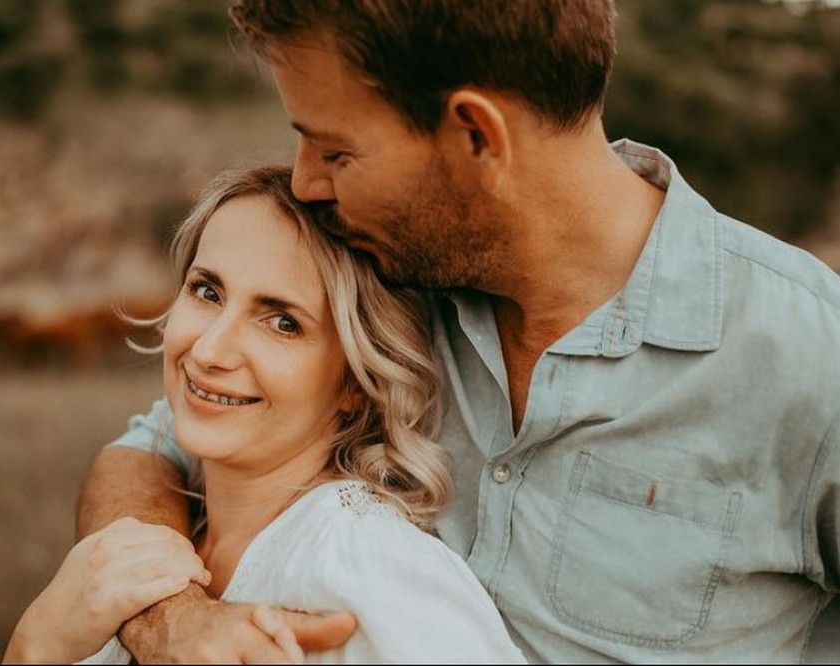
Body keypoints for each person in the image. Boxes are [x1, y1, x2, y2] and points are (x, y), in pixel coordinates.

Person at [75, 0, 840, 663]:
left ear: (475, 134)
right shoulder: (382, 283)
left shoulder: (809, 354)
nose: (307, 182)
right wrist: (164, 616)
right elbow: (151, 450)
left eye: (337, 150)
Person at [4, 167, 527, 664]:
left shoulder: (369, 571)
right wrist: (33, 647)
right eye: (207, 291)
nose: (210, 351)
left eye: (281, 322)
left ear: (355, 382)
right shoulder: (143, 541)